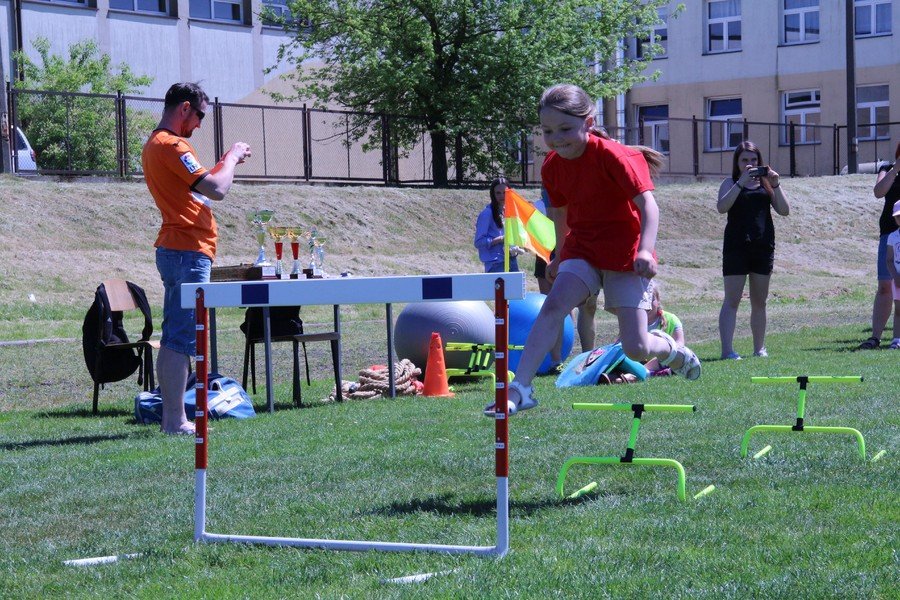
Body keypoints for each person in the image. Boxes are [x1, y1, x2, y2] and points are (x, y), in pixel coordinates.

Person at [484, 83, 701, 416]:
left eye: (565, 129)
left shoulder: (615, 156)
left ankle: (673, 350)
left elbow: (649, 206)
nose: (556, 138)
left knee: (636, 346)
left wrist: (646, 250)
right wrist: (558, 255)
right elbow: (560, 214)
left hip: (625, 254)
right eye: (547, 131)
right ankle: (521, 388)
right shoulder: (552, 167)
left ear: (589, 122)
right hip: (583, 248)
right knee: (553, 305)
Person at [142, 82, 251, 434]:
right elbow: (217, 190)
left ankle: (174, 418)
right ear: (185, 108)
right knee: (180, 339)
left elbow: (200, 189)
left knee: (177, 334)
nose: (200, 125)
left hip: (179, 250)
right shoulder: (173, 145)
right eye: (200, 115)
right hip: (187, 251)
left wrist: (222, 163)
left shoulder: (156, 146)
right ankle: (175, 421)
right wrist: (232, 157)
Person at [716, 140, 790, 360]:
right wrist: (740, 183)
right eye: (744, 160)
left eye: (753, 160)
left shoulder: (766, 184)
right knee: (732, 300)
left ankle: (759, 348)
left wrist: (776, 184)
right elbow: (721, 207)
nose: (749, 164)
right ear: (737, 163)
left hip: (762, 247)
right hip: (736, 248)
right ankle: (727, 351)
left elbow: (784, 211)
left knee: (760, 301)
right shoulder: (730, 182)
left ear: (760, 161)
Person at [858, 145, 900, 350]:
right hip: (890, 234)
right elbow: (878, 192)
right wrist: (895, 170)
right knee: (885, 286)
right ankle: (875, 337)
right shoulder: (887, 167)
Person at [474, 176, 523, 273]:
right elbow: (478, 242)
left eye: (505, 192)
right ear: (493, 194)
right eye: (498, 193)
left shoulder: (509, 212)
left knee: (516, 288)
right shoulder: (487, 213)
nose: (502, 196)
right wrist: (501, 239)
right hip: (496, 263)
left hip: (511, 259)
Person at [883, 199, 900, 349]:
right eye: (898, 216)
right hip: (898, 281)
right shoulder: (892, 237)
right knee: (899, 310)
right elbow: (889, 260)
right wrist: (895, 276)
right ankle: (897, 339)